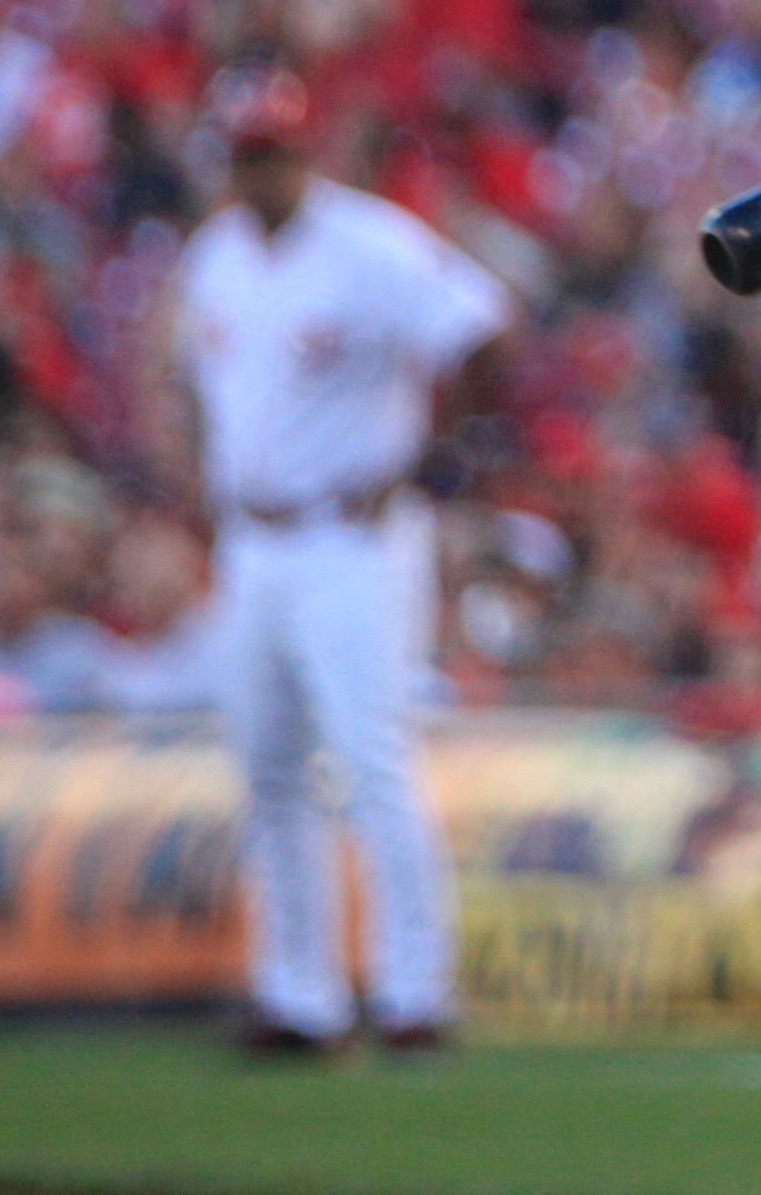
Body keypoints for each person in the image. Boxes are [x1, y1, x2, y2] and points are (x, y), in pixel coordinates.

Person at [167, 68, 514, 1056]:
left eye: (272, 149)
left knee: (370, 759)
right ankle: (300, 996)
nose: (259, 168)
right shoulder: (216, 256)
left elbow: (483, 332)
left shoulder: (371, 243)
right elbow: (205, 381)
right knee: (269, 767)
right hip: (252, 536)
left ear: (305, 149)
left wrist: (430, 460)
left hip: (351, 535)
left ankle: (417, 991)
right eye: (244, 152)